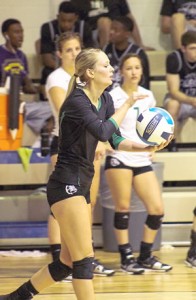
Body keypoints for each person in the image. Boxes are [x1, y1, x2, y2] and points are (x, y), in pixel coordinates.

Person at [0, 48, 171, 300]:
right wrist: (128, 104)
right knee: (84, 261)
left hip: (81, 182)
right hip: (66, 183)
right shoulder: (77, 101)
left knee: (66, 264)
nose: (112, 69)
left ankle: (16, 297)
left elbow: (114, 138)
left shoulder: (105, 100)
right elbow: (102, 131)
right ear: (90, 72)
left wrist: (146, 146)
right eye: (106, 65)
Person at [46, 32, 114, 277]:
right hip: (65, 145)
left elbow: (109, 133)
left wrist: (147, 147)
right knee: (62, 208)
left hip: (87, 149)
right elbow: (64, 110)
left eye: (77, 48)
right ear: (60, 54)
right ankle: (67, 254)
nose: (74, 52)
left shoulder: (102, 95)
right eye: (69, 49)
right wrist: (97, 133)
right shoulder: (60, 80)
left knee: (87, 203)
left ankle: (69, 258)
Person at [104, 53, 172, 274]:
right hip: (119, 156)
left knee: (157, 210)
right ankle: (126, 257)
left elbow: (153, 127)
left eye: (137, 68)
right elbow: (108, 129)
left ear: (142, 71)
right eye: (129, 68)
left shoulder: (148, 96)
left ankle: (145, 255)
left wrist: (155, 145)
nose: (134, 72)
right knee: (122, 207)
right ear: (121, 71)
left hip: (142, 157)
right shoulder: (113, 96)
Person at [0, 18, 53, 146]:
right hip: (3, 101)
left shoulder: (21, 56)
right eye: (16, 32)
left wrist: (42, 89)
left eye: (22, 32)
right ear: (6, 35)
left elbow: (28, 86)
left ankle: (41, 143)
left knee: (55, 109)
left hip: (20, 102)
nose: (21, 36)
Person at [40, 1, 94, 100]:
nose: (66, 24)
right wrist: (66, 67)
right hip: (55, 66)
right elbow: (46, 59)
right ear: (57, 17)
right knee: (46, 72)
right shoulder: (48, 28)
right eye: (63, 20)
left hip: (80, 68)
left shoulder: (84, 27)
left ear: (76, 18)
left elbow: (90, 55)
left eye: (70, 21)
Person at [70, 0, 153, 49]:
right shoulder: (78, 2)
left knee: (117, 26)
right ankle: (106, 54)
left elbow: (129, 18)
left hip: (118, 33)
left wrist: (140, 44)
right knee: (104, 22)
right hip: (93, 36)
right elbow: (75, 24)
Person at [163, 30, 196, 151]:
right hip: (181, 100)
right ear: (183, 48)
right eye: (192, 48)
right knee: (172, 104)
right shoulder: (174, 58)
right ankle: (172, 144)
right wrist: (191, 100)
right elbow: (173, 91)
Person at [103, 16, 150, 89]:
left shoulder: (138, 53)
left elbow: (144, 82)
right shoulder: (106, 49)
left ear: (127, 34)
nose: (111, 32)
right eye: (111, 29)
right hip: (108, 96)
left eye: (115, 30)